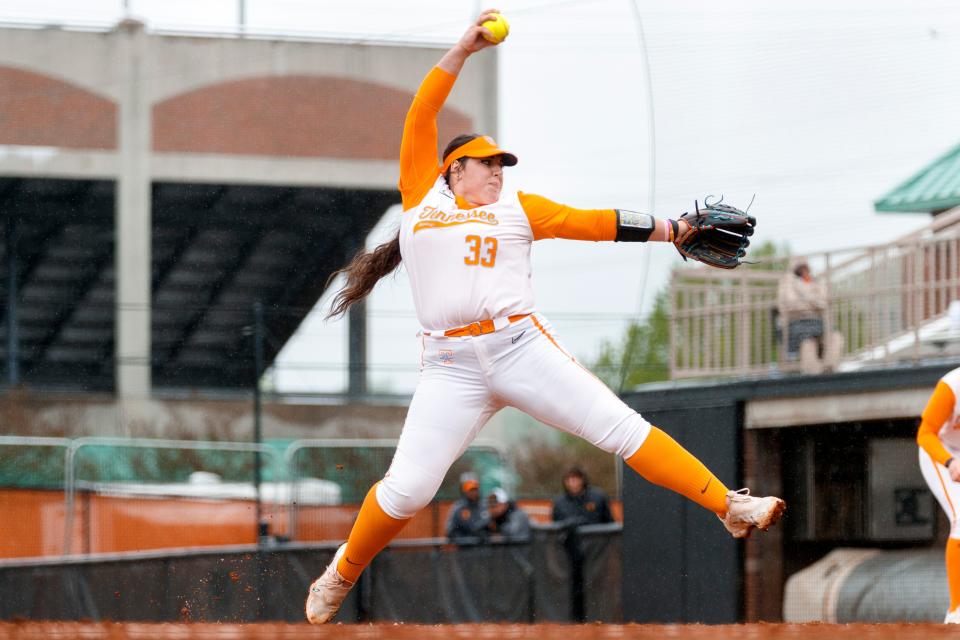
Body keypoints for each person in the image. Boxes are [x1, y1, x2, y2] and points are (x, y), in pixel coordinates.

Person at [304, 11, 786, 624]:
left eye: (503, 165)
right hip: (450, 367)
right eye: (487, 164)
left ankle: (728, 505)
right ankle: (341, 572)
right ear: (454, 170)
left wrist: (675, 230)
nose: (499, 173)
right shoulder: (420, 200)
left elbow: (594, 222)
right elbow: (421, 114)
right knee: (408, 490)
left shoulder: (518, 209)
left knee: (622, 429)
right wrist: (462, 48)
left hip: (517, 349)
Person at [917, 366, 960, 624]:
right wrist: (949, 461)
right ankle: (956, 612)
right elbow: (925, 434)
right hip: (940, 454)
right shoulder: (953, 385)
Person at [777, 258, 843, 374]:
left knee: (836, 337)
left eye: (805, 267)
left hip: (818, 323)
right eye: (800, 267)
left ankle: (830, 370)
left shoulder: (815, 282)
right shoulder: (787, 282)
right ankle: (814, 377)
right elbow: (791, 304)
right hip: (796, 324)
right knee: (808, 344)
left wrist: (808, 300)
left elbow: (824, 302)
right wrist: (812, 301)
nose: (804, 270)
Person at [445, 474, 488, 544]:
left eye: (475, 489)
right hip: (465, 551)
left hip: (484, 549)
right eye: (470, 489)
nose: (473, 492)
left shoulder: (485, 506)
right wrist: (464, 539)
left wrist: (484, 533)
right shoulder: (457, 508)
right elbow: (450, 531)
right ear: (463, 490)